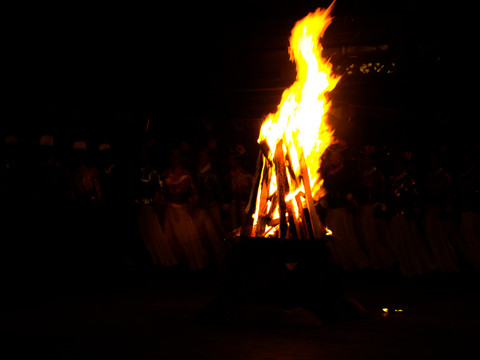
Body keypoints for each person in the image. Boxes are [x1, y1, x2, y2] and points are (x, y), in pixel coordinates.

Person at [320, 143, 371, 271]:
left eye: (336, 156)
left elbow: (355, 190)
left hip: (343, 211)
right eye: (332, 156)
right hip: (331, 211)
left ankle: (360, 264)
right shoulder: (327, 174)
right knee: (333, 240)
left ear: (341, 158)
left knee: (348, 237)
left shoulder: (347, 173)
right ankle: (341, 263)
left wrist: (351, 199)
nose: (333, 159)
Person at [388, 152, 437, 277]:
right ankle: (405, 268)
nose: (397, 166)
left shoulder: (408, 179)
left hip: (406, 215)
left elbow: (415, 196)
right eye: (395, 163)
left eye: (399, 163)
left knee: (411, 241)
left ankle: (419, 268)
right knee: (399, 243)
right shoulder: (392, 179)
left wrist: (414, 209)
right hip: (395, 215)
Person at [163, 149, 209, 270]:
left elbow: (194, 192)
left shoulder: (185, 174)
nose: (173, 159)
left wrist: (191, 206)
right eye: (172, 156)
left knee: (188, 239)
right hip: (170, 211)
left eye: (176, 156)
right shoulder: (165, 174)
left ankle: (196, 265)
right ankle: (181, 264)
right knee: (172, 239)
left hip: (183, 211)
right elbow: (163, 192)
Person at [134, 145, 178, 267]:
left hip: (151, 207)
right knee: (147, 236)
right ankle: (156, 260)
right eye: (140, 154)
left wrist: (159, 203)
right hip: (140, 208)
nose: (142, 156)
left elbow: (162, 188)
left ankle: (168, 260)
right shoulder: (138, 172)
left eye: (144, 153)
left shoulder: (154, 172)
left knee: (156, 234)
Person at [356, 145, 396, 270]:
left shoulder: (378, 174)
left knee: (378, 238)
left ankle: (389, 263)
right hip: (363, 210)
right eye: (364, 159)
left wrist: (381, 206)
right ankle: (376, 265)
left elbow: (383, 192)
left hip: (374, 209)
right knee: (367, 238)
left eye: (368, 159)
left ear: (373, 160)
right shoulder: (361, 175)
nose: (365, 161)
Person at [423, 150, 459, 273]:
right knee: (432, 239)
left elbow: (451, 195)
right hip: (430, 212)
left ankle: (450, 266)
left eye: (434, 159)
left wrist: (447, 209)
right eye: (430, 160)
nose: (432, 162)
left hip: (440, 211)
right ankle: (438, 265)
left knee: (443, 240)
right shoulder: (428, 177)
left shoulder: (444, 177)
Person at [193, 148, 226, 266]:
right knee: (201, 233)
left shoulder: (212, 173)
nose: (200, 158)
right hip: (201, 206)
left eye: (203, 156)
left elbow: (219, 189)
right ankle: (210, 258)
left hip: (211, 205)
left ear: (208, 158)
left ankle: (222, 258)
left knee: (215, 232)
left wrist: (222, 202)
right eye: (199, 156)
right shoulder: (197, 171)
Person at [456, 147, 480, 270]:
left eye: (468, 159)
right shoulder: (463, 175)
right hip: (465, 210)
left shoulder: (475, 174)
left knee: (474, 238)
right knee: (468, 238)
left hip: (473, 210)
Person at [227, 144, 253, 231]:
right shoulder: (228, 175)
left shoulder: (247, 176)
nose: (230, 161)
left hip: (244, 207)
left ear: (239, 161)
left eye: (232, 159)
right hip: (233, 207)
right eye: (229, 159)